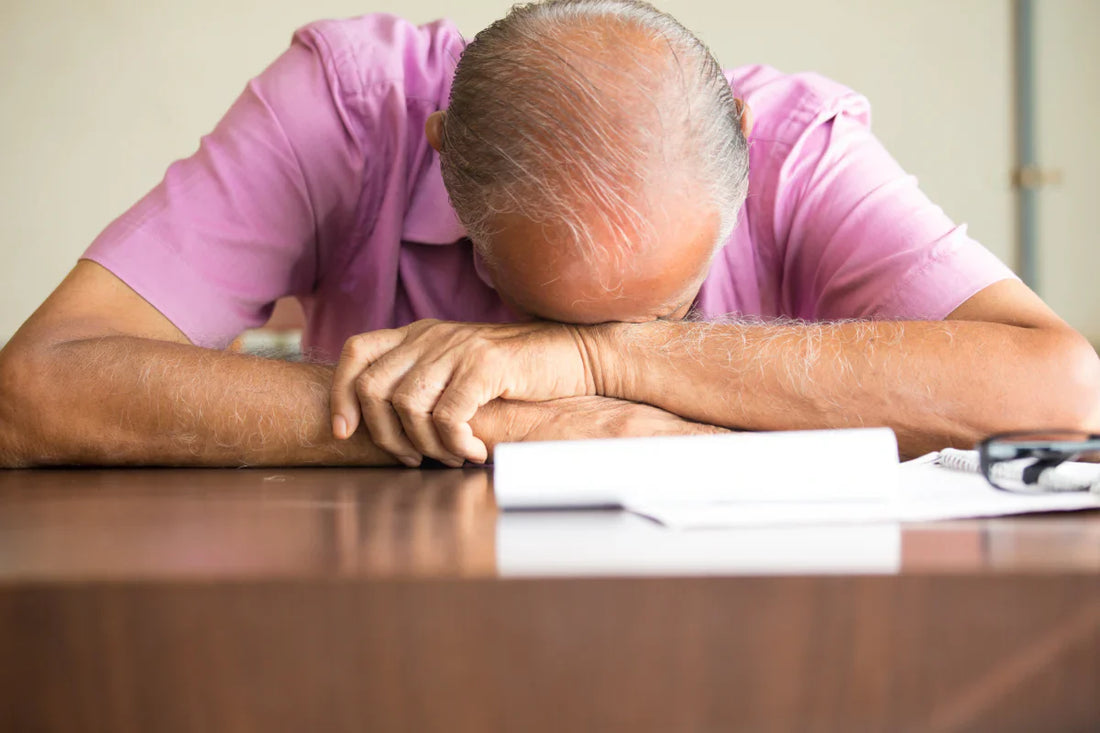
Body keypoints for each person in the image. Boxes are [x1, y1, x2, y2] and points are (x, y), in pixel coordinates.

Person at [0, 0, 1096, 469]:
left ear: (741, 141)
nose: (568, 347)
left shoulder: (797, 143)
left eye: (662, 306)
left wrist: (599, 362)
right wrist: (488, 421)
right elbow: (39, 386)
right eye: (542, 314)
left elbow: (1060, 387)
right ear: (440, 154)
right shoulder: (347, 109)